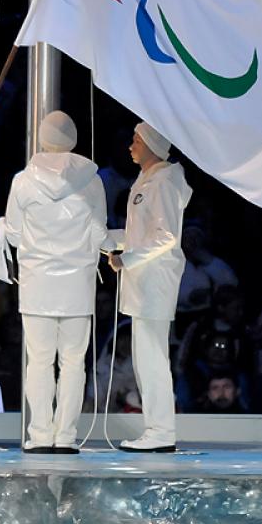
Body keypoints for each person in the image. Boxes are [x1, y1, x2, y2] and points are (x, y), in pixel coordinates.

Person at [4, 111, 108, 454]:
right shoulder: (92, 181)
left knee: (40, 360)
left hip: (37, 281)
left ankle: (40, 435)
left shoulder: (22, 181)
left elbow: (15, 234)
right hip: (77, 281)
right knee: (74, 362)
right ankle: (66, 436)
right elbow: (98, 231)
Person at [107, 122, 192, 452]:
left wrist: (126, 259)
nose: (131, 146)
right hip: (143, 283)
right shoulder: (148, 182)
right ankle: (155, 429)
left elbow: (166, 237)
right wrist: (105, 240)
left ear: (152, 145)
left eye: (136, 140)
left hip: (155, 283)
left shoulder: (164, 183)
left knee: (153, 358)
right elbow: (140, 236)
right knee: (145, 359)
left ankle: (160, 431)